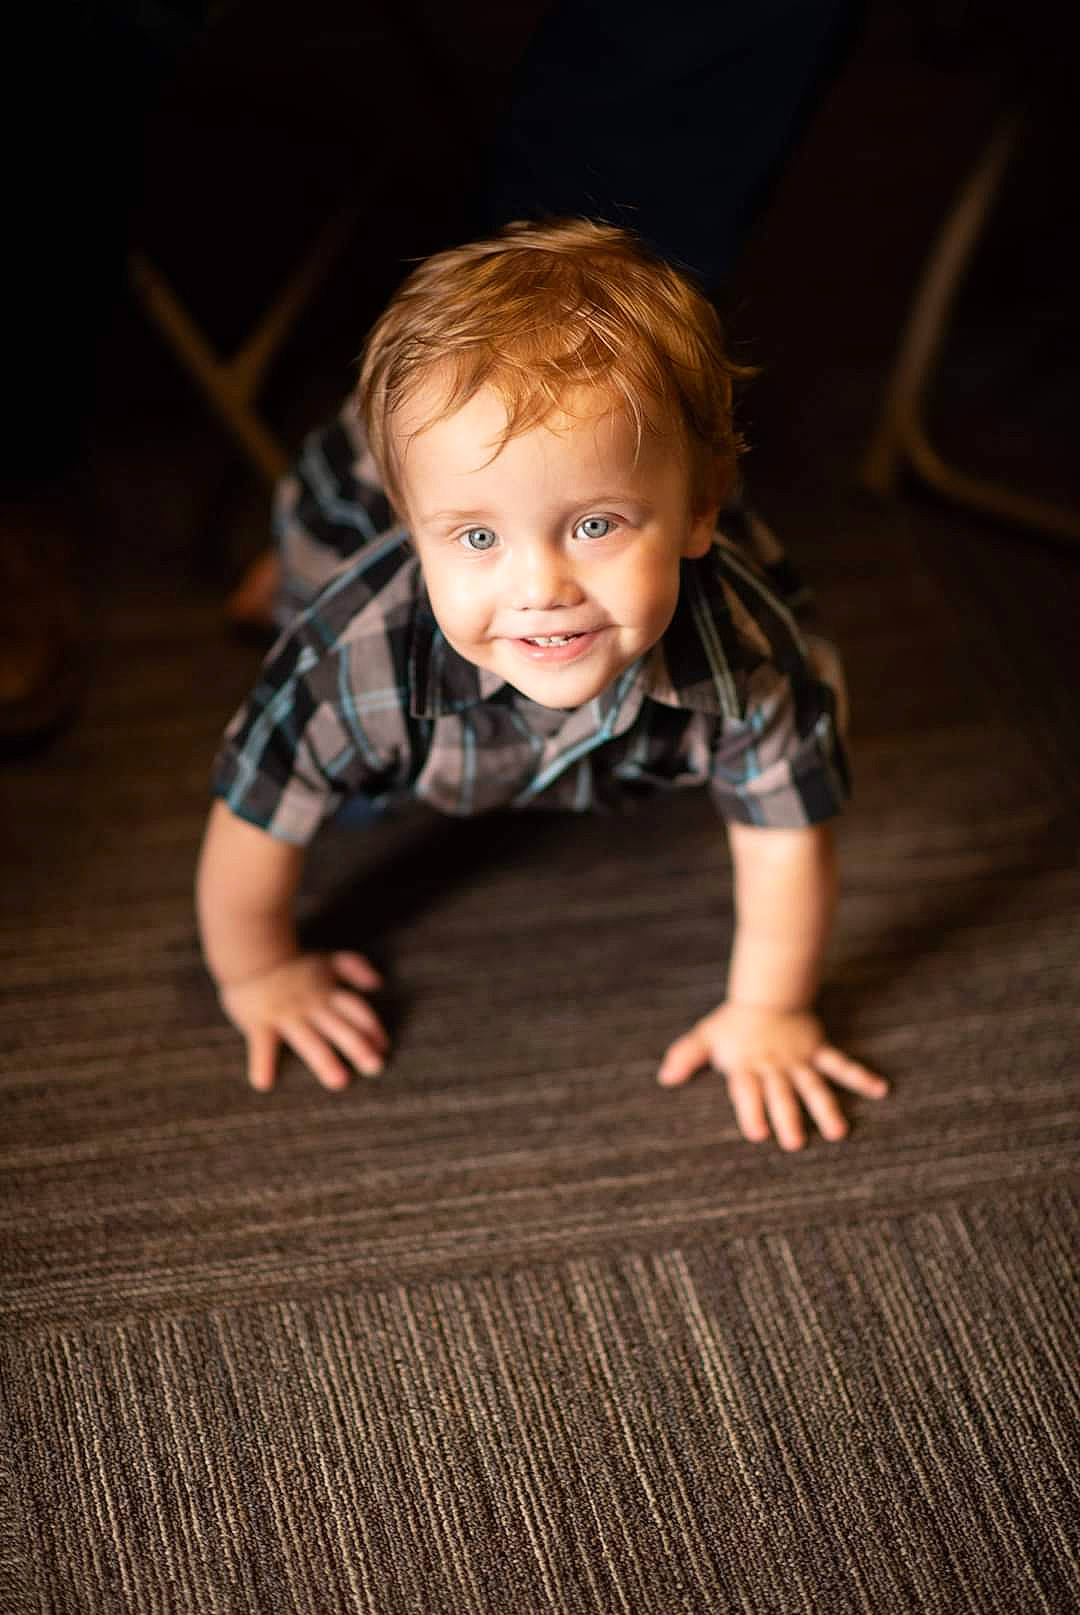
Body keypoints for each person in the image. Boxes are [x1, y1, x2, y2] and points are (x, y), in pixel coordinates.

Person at [196, 218, 889, 1151]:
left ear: (700, 510)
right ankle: (286, 574)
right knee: (319, 623)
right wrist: (258, 973)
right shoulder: (348, 664)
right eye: (479, 537)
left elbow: (787, 838)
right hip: (347, 517)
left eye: (596, 525)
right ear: (416, 532)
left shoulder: (755, 658)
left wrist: (770, 1009)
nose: (542, 588)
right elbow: (253, 808)